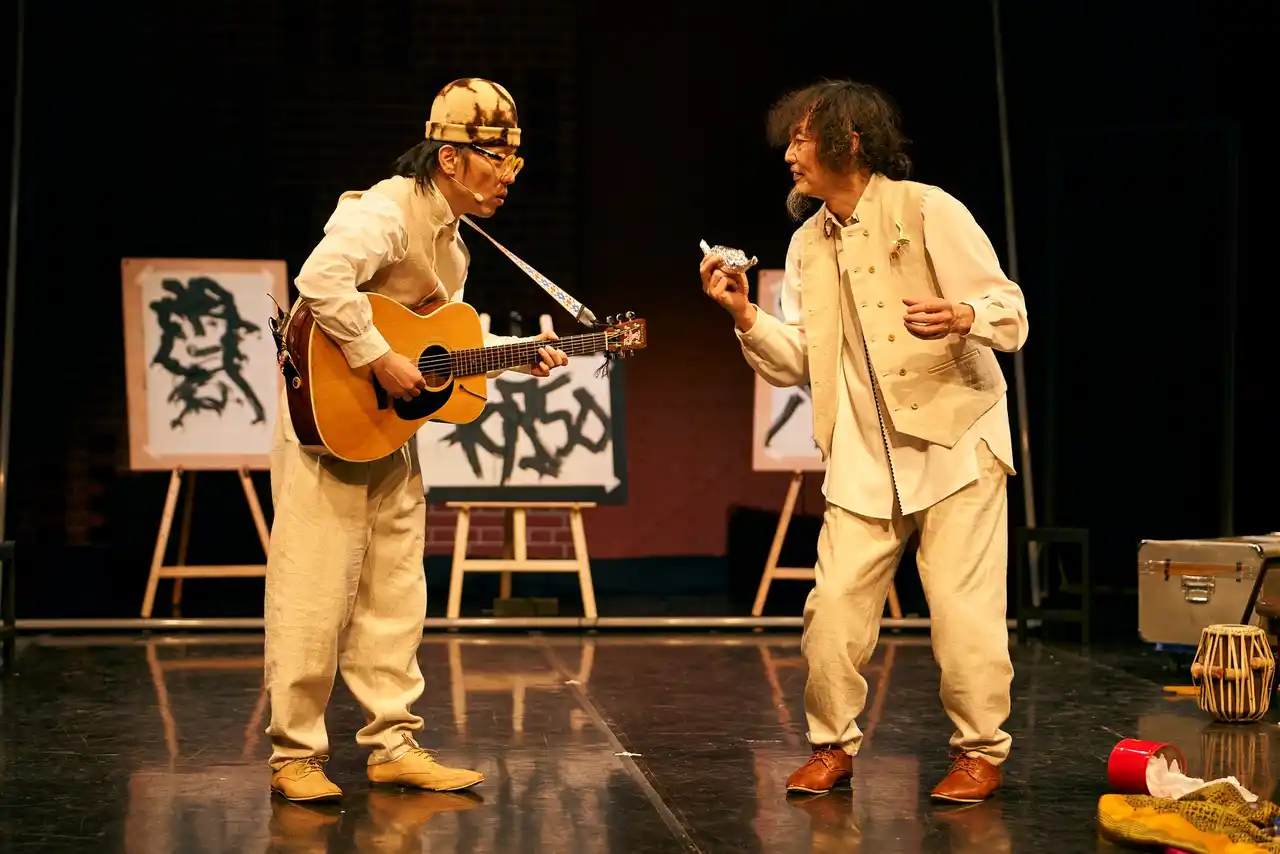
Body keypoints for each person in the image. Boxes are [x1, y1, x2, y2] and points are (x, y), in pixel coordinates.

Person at [700, 79, 1028, 804]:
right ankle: (831, 746)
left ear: (848, 141)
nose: (789, 154)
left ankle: (979, 752)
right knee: (833, 611)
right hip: (863, 455)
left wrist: (963, 314)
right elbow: (800, 361)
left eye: (800, 139)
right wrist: (745, 315)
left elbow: (1010, 312)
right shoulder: (806, 244)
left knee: (963, 614)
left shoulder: (927, 208)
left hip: (955, 442)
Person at [265, 77, 569, 802]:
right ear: (450, 158)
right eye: (495, 158)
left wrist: (515, 354)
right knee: (315, 587)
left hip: (387, 429)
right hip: (330, 418)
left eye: (513, 160)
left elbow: (437, 344)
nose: (508, 176)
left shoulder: (454, 248)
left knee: (396, 589)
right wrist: (376, 356)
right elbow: (320, 279)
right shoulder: (387, 212)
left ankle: (393, 743)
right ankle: (294, 754)